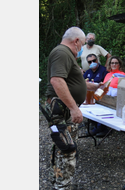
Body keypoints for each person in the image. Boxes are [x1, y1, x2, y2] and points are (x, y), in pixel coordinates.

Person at [45, 26, 99, 190]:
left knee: (63, 147)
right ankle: (62, 185)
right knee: (67, 149)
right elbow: (57, 81)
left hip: (64, 109)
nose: (82, 47)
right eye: (82, 43)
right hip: (62, 110)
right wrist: (74, 108)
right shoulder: (62, 52)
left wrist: (93, 86)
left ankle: (59, 182)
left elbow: (72, 82)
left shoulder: (66, 54)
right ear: (76, 41)